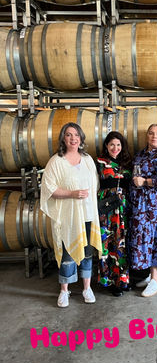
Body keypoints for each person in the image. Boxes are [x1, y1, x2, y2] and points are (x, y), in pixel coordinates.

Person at [40, 122, 102, 308]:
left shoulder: (88, 160)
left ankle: (86, 288)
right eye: (68, 135)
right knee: (68, 255)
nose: (73, 138)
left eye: (76, 135)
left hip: (88, 214)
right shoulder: (56, 162)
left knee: (87, 253)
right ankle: (64, 291)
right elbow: (48, 189)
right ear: (63, 139)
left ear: (81, 138)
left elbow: (95, 185)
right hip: (68, 216)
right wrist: (72, 194)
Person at [130, 124, 157, 297]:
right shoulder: (140, 154)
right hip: (141, 205)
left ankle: (156, 279)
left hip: (155, 206)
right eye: (151, 133)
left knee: (155, 238)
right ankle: (152, 275)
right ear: (147, 136)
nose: (154, 136)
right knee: (144, 239)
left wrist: (145, 182)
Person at [97, 131, 132, 297]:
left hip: (123, 207)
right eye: (112, 144)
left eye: (118, 145)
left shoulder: (127, 163)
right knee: (108, 242)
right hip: (107, 208)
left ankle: (123, 280)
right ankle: (110, 281)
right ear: (106, 146)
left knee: (122, 242)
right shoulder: (99, 162)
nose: (115, 148)